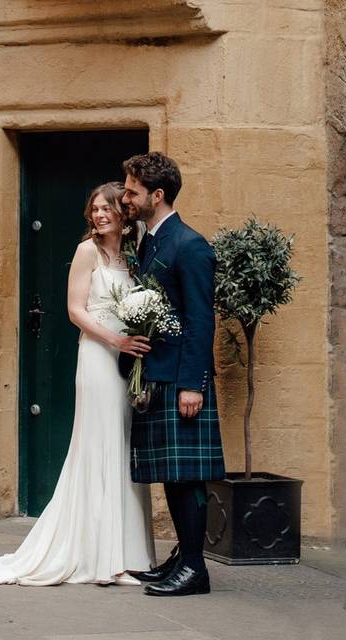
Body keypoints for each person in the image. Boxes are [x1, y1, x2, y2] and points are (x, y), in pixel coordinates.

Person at [0, 182, 156, 586]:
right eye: (94, 209)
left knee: (123, 446)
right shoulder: (86, 251)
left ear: (122, 212)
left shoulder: (134, 252)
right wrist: (115, 340)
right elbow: (75, 311)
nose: (99, 215)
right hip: (98, 356)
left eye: (106, 208)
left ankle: (129, 555)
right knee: (99, 445)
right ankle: (100, 557)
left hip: (128, 360)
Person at [119, 152, 225, 597]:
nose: (126, 198)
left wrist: (191, 386)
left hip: (180, 379)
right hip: (156, 373)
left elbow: (202, 321)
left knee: (186, 478)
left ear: (156, 195)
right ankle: (183, 558)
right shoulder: (149, 241)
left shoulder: (191, 244)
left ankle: (196, 569)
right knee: (171, 475)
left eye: (132, 192)